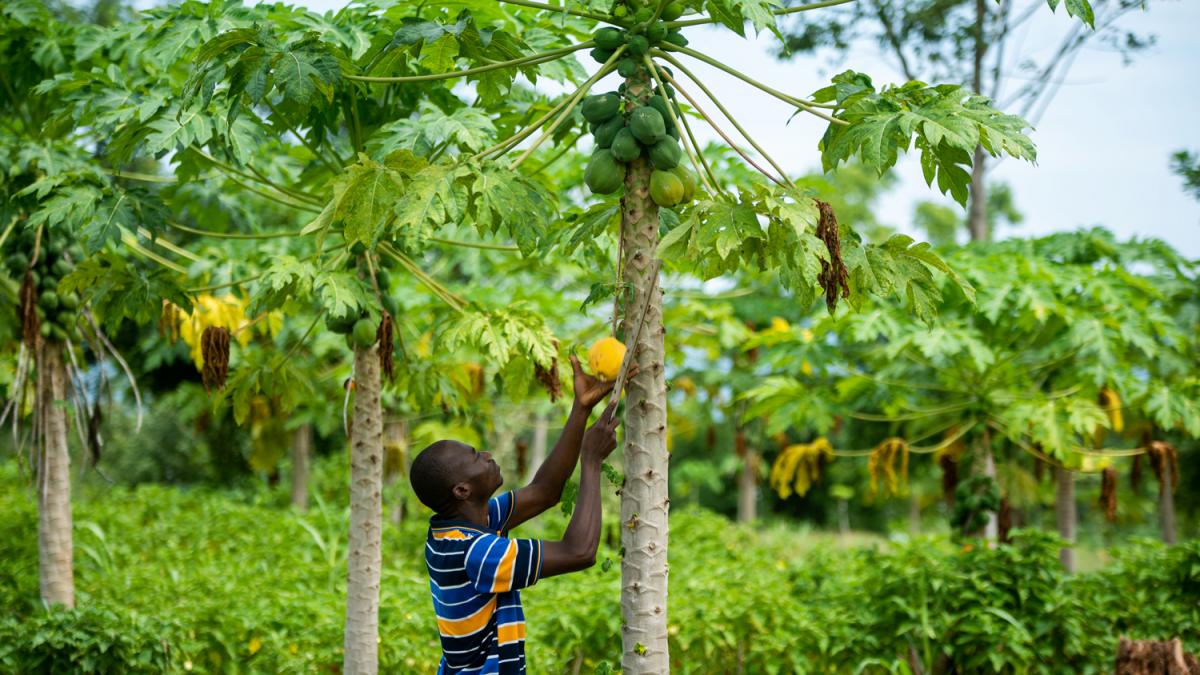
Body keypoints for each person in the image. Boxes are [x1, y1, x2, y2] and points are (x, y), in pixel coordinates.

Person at [409, 354, 634, 674]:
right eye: (475, 457)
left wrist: (581, 409)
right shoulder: (477, 552)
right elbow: (579, 552)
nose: (487, 455)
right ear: (462, 491)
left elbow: (545, 491)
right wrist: (592, 460)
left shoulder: (462, 525)